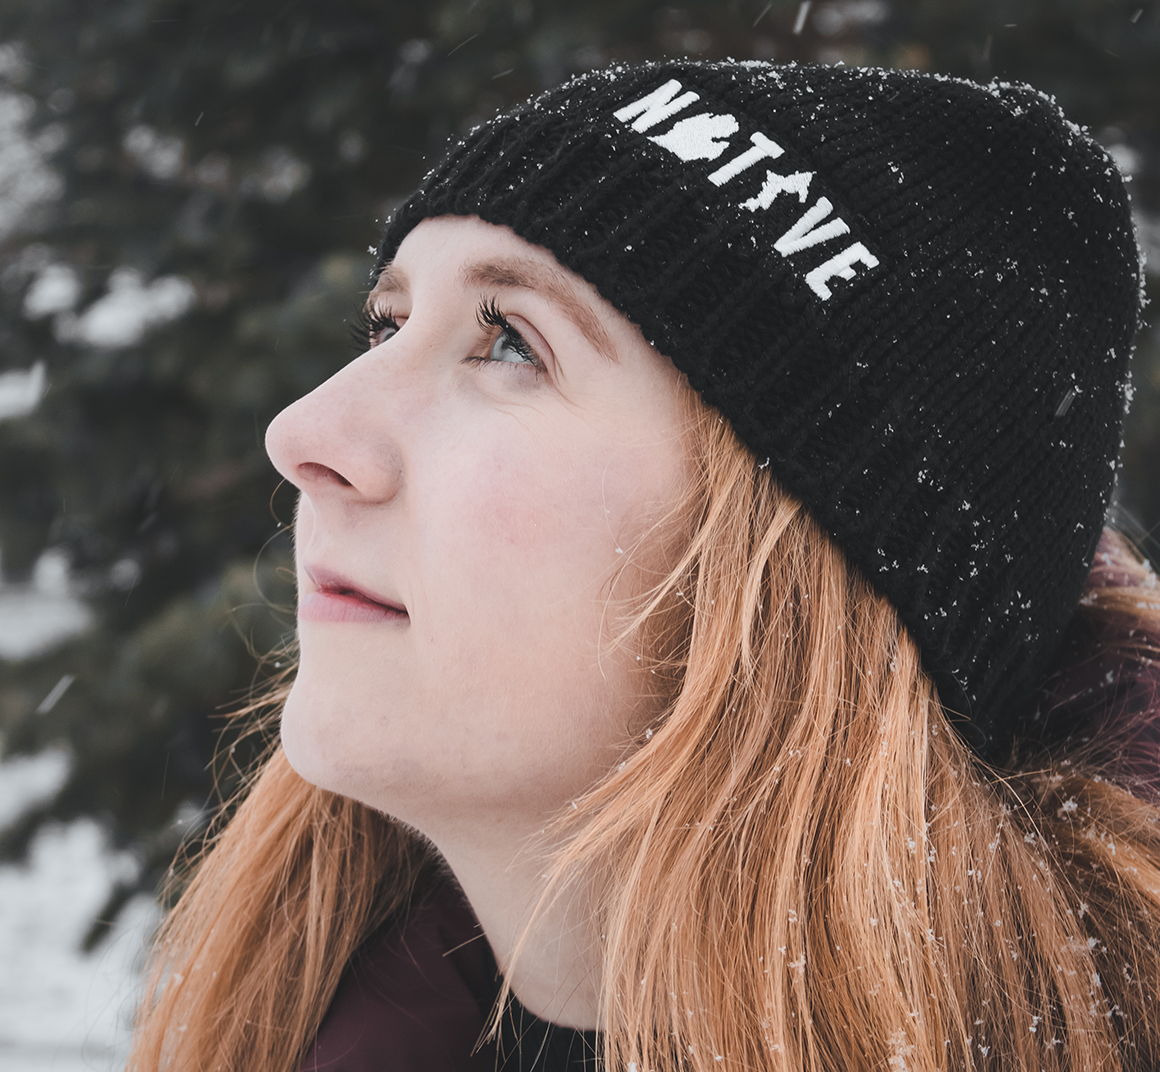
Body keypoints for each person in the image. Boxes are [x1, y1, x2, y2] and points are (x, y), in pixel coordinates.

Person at [127, 61, 1160, 1072]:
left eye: (510, 343)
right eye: (388, 323)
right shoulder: (291, 1022)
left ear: (783, 574)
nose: (306, 428)